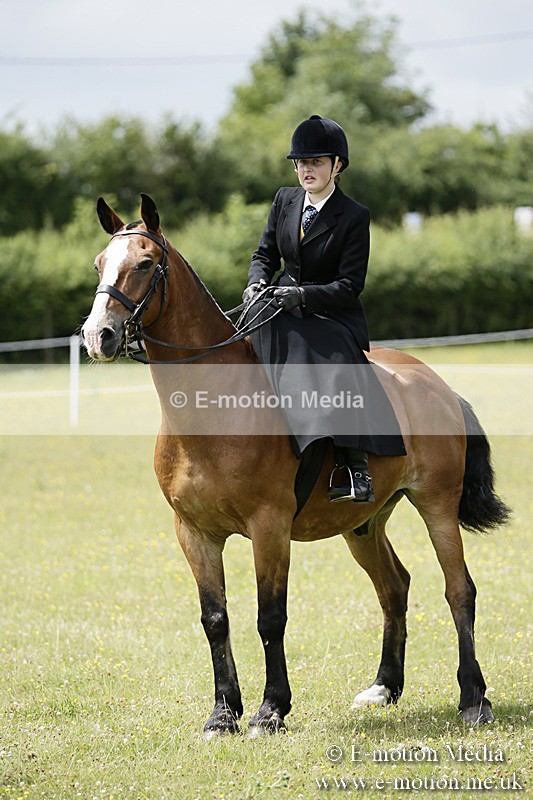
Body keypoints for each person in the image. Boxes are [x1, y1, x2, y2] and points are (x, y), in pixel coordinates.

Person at [242, 114, 406, 502]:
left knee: (332, 359)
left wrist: (304, 297)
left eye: (316, 162)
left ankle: (354, 467)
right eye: (301, 162)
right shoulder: (284, 200)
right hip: (277, 303)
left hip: (330, 312)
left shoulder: (353, 216)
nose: (306, 169)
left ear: (338, 166)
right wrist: (254, 283)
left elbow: (350, 285)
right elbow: (264, 254)